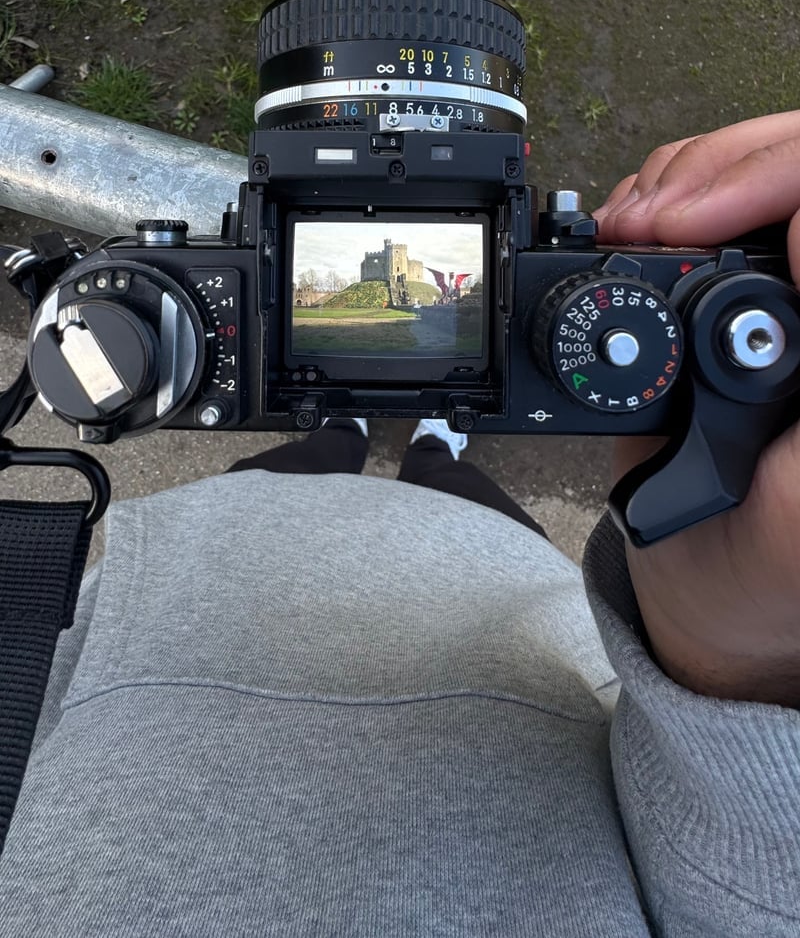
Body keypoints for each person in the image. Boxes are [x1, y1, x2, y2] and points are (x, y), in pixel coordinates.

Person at [1, 111, 799, 935]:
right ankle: (426, 435)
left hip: (211, 562)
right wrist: (742, 661)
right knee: (449, 483)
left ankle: (334, 423)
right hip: (488, 582)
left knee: (279, 478)